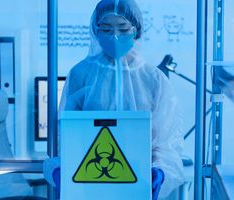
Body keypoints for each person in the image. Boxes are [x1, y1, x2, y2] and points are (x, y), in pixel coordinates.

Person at [43, 0, 185, 199]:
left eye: (123, 28)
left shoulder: (153, 79)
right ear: (95, 31)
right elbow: (65, 138)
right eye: (106, 28)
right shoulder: (81, 74)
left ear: (137, 30)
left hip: (138, 183)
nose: (115, 36)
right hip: (89, 183)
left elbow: (166, 143)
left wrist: (160, 172)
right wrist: (60, 170)